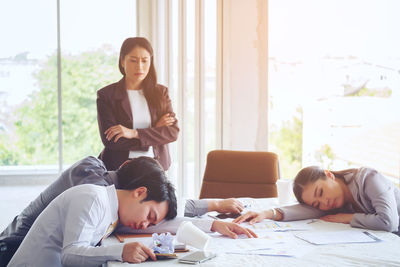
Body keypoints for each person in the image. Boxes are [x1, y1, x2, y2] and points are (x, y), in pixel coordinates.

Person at [0, 156, 255, 266]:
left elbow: (161, 220)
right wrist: (121, 251)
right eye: (149, 217)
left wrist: (212, 223)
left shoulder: (114, 208)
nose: (147, 224)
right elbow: (70, 254)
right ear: (140, 191)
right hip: (12, 247)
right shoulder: (93, 193)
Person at [233, 166, 400, 235]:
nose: (324, 203)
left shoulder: (368, 178)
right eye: (317, 203)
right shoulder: (335, 203)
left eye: (321, 192)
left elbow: (388, 222)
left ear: (329, 175)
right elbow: (307, 210)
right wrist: (267, 213)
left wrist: (348, 218)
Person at [97, 37, 178, 171]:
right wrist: (154, 131)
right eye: (133, 60)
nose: (139, 66)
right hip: (119, 168)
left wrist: (133, 133)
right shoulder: (107, 96)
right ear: (122, 61)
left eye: (145, 61)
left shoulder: (161, 93)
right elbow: (111, 141)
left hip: (156, 166)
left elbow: (172, 132)